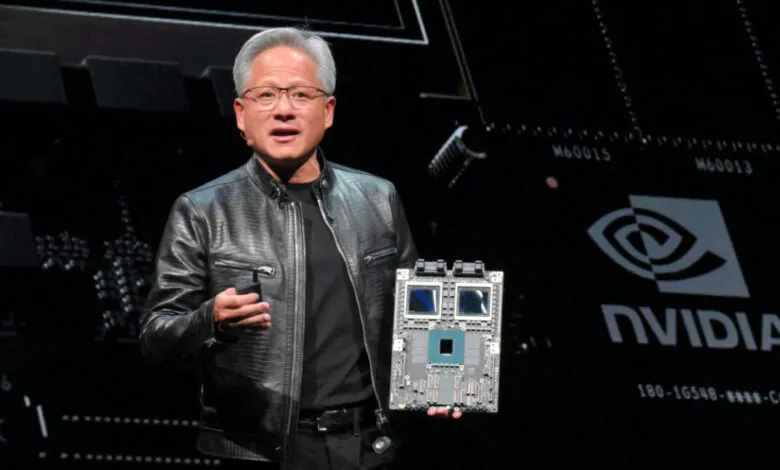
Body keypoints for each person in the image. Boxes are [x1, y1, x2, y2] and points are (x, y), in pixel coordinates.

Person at [138, 27, 459, 469]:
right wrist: (210, 321)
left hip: (369, 447)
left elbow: (419, 309)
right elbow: (155, 338)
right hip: (261, 451)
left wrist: (441, 383)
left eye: (301, 95)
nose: (284, 109)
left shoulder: (378, 198)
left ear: (328, 111)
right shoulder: (202, 210)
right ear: (241, 114)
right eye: (266, 95)